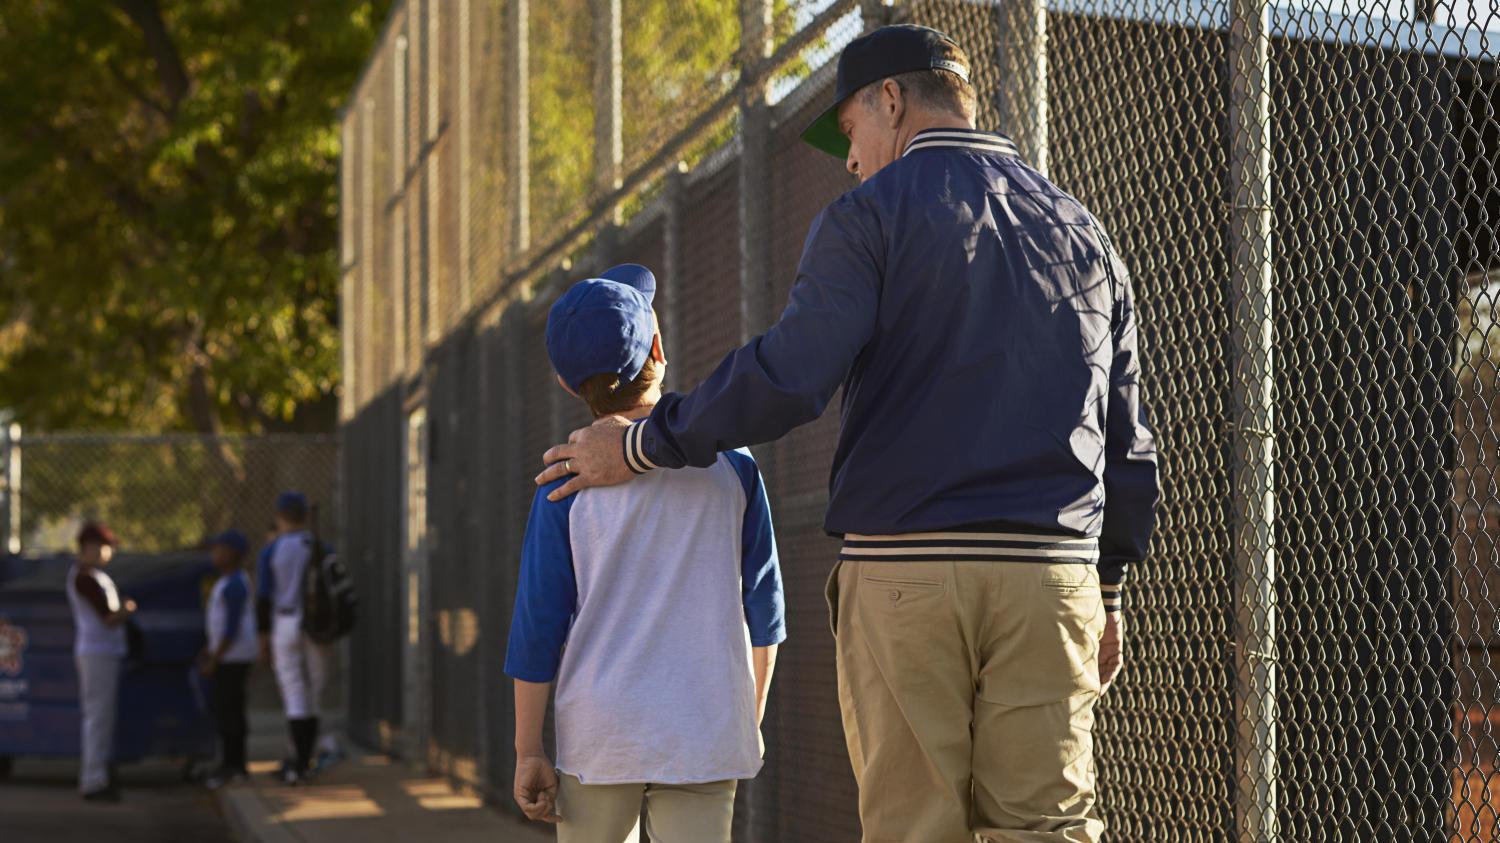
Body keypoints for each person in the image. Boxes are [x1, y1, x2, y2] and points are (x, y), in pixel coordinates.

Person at [535, 25, 1160, 843]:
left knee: (913, 826)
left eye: (853, 130)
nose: (852, 156)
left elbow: (793, 373)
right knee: (1047, 825)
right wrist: (1106, 587)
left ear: (892, 101)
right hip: (1053, 577)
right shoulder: (1084, 231)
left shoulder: (869, 216)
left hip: (908, 570)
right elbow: (1130, 441)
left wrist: (647, 442)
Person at [507, 264, 787, 843]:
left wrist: (527, 748)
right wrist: (747, 716)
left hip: (601, 736)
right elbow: (765, 611)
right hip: (706, 727)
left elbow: (538, 626)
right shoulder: (733, 463)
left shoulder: (564, 482)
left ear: (566, 384)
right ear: (659, 348)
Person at [255, 491, 326, 785]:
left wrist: (263, 637)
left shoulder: (272, 550)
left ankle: (297, 762)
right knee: (314, 691)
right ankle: (306, 760)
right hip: (319, 625)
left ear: (281, 516)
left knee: (295, 692)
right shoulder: (322, 547)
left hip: (285, 621)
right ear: (305, 516)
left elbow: (263, 597)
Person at [65, 522, 135, 802]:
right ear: (90, 547)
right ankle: (93, 779)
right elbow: (108, 618)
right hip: (96, 651)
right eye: (106, 546)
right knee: (97, 717)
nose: (109, 552)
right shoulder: (84, 577)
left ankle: (100, 773)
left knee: (101, 717)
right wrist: (127, 610)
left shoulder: (94, 576)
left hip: (103, 651)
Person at [200, 529, 256, 790]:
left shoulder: (235, 583)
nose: (214, 553)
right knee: (227, 711)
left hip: (233, 658)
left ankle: (234, 765)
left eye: (219, 548)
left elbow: (230, 628)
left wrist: (215, 657)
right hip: (227, 655)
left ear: (232, 553)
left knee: (230, 713)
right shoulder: (226, 580)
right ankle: (233, 764)